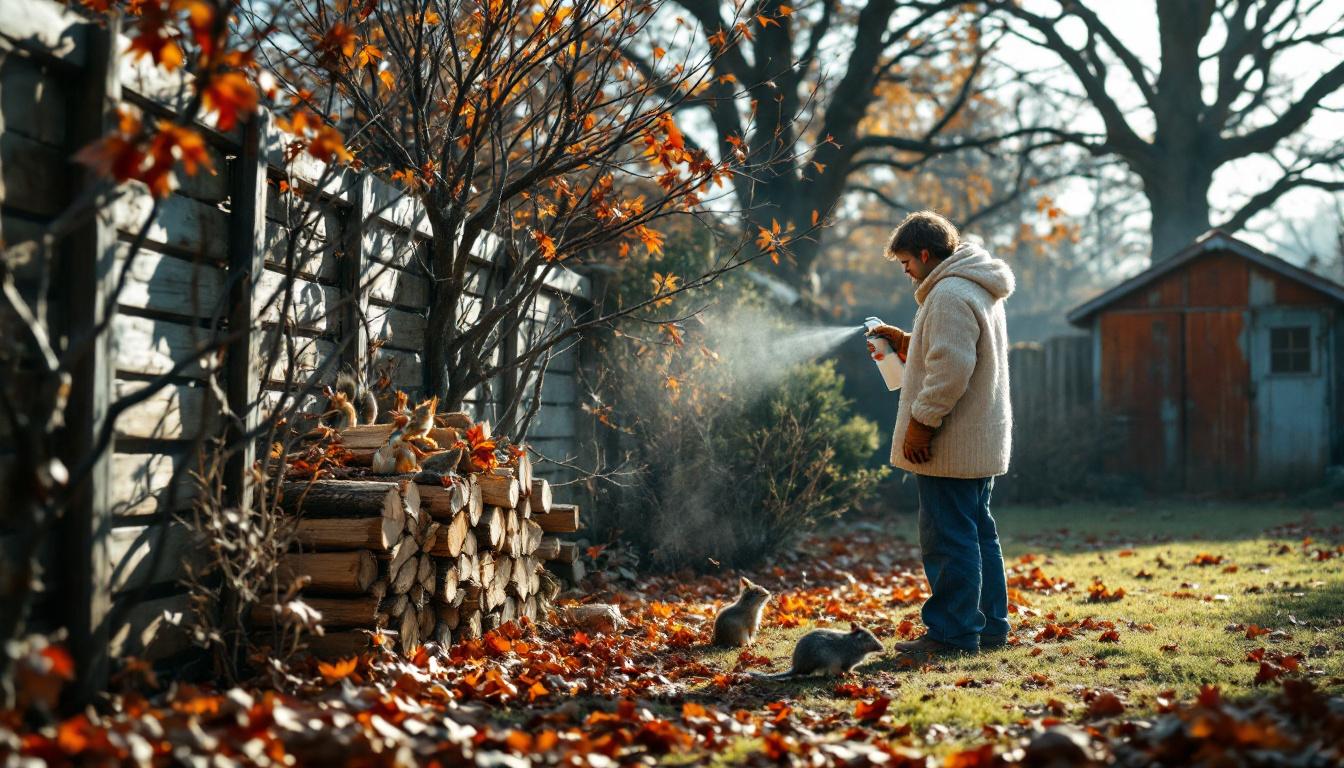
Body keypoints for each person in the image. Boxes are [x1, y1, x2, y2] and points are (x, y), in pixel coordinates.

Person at [867, 210, 1015, 656]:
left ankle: (951, 634)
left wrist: (920, 424)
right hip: (977, 439)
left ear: (926, 253)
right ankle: (988, 628)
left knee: (948, 539)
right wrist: (909, 343)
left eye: (906, 261)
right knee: (976, 534)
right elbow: (956, 351)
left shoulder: (949, 292)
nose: (906, 271)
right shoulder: (974, 285)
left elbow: (951, 370)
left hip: (949, 443)